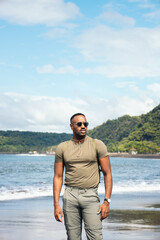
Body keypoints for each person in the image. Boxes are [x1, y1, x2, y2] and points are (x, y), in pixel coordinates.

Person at [53, 113, 112, 240]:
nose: (83, 126)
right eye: (79, 124)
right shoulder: (62, 148)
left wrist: (107, 201)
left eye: (85, 124)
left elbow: (107, 174)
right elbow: (58, 177)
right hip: (70, 196)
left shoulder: (97, 145)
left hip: (90, 195)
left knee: (95, 237)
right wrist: (56, 205)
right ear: (71, 126)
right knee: (73, 237)